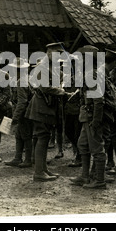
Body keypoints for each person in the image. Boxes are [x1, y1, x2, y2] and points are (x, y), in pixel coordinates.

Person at [25, 42, 72, 182]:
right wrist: (63, 92)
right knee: (42, 138)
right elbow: (45, 88)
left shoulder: (51, 67)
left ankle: (43, 169)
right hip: (41, 107)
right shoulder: (42, 67)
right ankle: (39, 172)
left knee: (44, 138)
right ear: (49, 52)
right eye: (57, 54)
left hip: (47, 107)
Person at [70, 45, 107, 189]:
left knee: (97, 149)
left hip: (91, 117)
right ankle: (85, 176)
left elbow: (98, 100)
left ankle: (100, 180)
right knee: (83, 145)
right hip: (87, 115)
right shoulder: (89, 73)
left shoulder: (92, 74)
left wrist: (96, 121)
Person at [5, 57, 34, 168]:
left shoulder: (21, 82)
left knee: (26, 136)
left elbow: (22, 102)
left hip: (24, 113)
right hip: (28, 112)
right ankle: (18, 158)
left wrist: (15, 117)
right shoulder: (28, 79)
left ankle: (27, 159)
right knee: (19, 135)